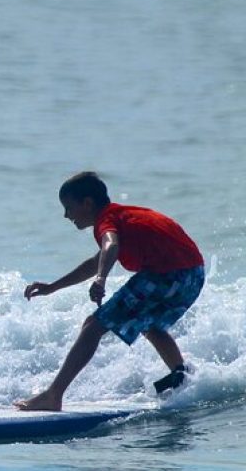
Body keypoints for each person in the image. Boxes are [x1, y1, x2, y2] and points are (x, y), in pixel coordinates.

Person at [16, 171, 204, 411]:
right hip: (194, 274)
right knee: (149, 323)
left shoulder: (107, 220)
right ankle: (181, 377)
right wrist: (53, 287)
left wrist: (101, 279)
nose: (66, 215)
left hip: (166, 274)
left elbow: (110, 245)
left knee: (92, 327)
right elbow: (97, 259)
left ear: (87, 203)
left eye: (68, 207)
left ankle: (53, 395)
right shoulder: (122, 216)